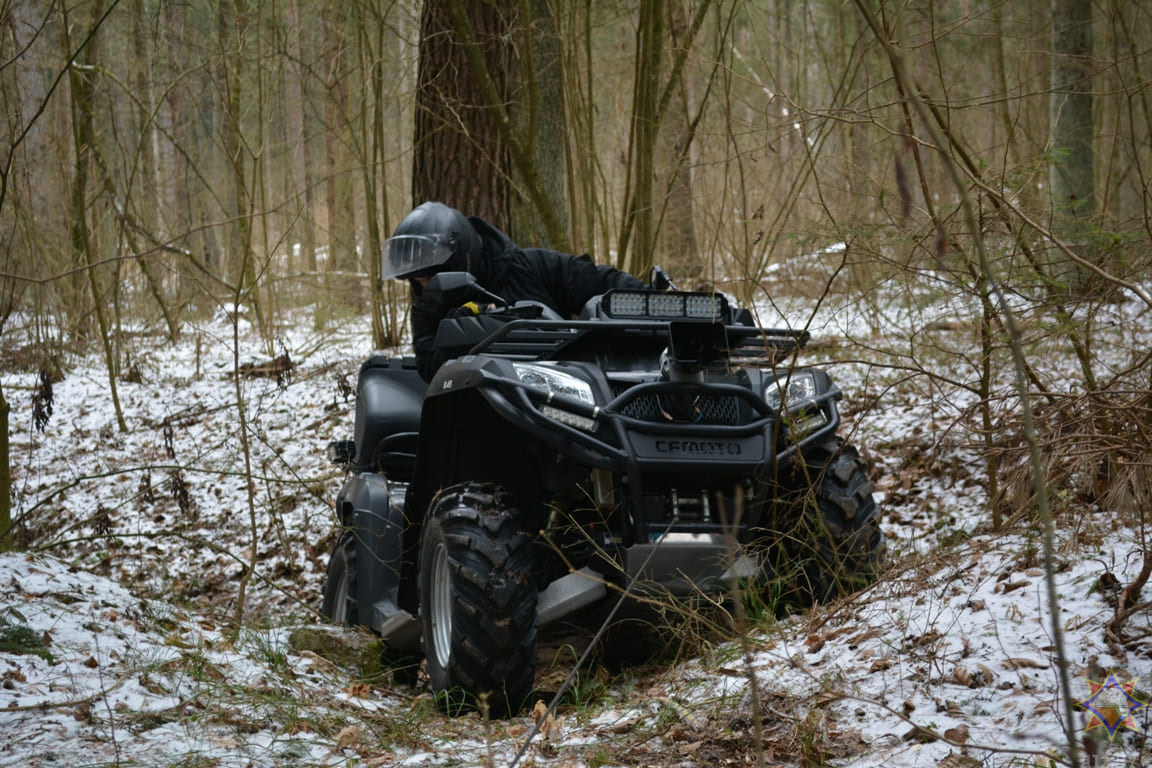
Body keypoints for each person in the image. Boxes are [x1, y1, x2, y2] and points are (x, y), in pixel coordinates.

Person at [382, 201, 648, 381]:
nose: (422, 286)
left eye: (427, 278)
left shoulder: (530, 267)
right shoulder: (427, 308)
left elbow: (597, 281)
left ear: (458, 260)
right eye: (416, 281)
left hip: (564, 397)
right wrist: (458, 330)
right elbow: (430, 370)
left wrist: (653, 298)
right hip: (478, 410)